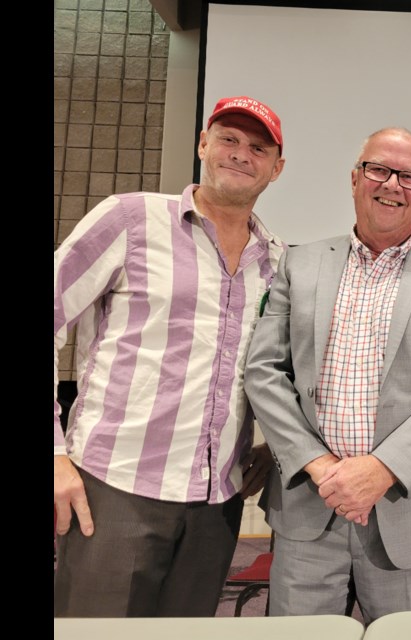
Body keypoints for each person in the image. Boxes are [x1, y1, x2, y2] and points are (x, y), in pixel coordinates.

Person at [243, 127, 411, 623]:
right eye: (378, 169)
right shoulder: (300, 262)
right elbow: (264, 370)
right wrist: (319, 466)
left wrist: (380, 469)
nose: (392, 184)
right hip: (310, 509)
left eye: (410, 177)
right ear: (355, 179)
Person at [54, 96, 287, 616]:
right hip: (115, 489)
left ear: (276, 167)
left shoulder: (277, 260)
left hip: (217, 504)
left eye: (258, 147)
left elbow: (276, 370)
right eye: (228, 138)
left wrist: (276, 444)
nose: (240, 154)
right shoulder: (130, 218)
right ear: (203, 143)